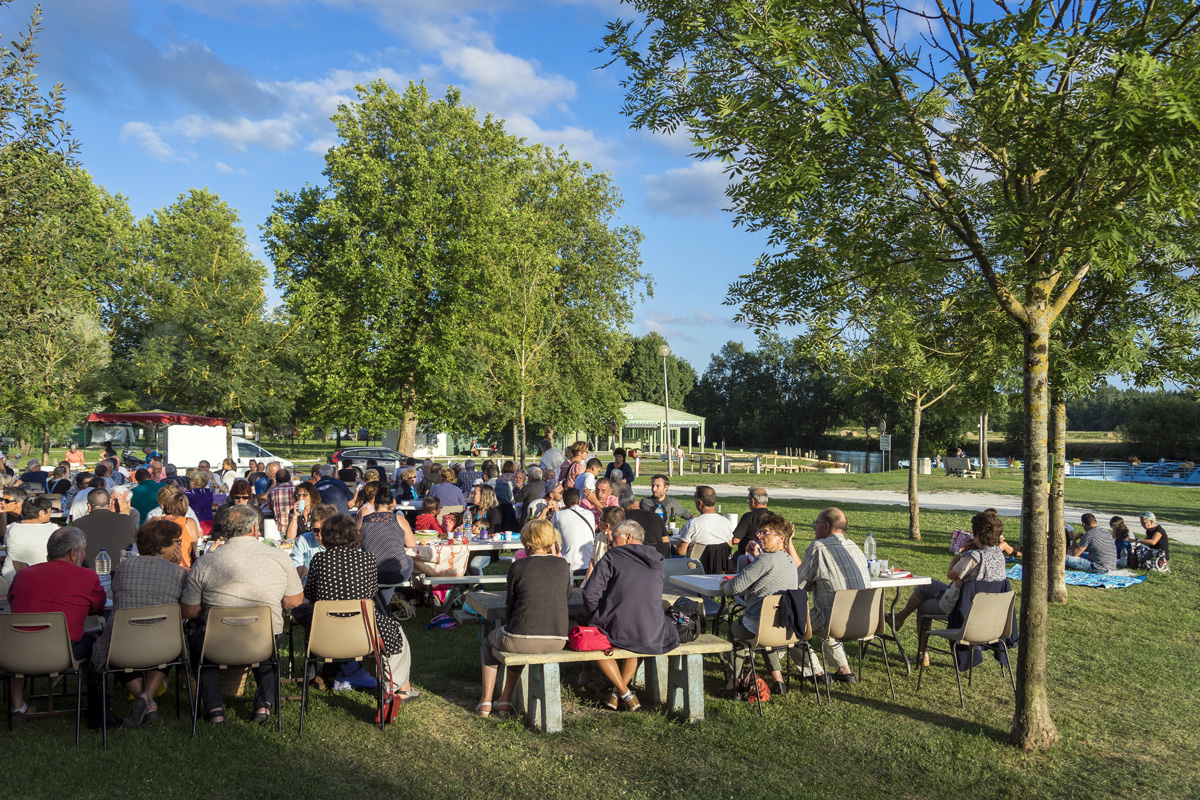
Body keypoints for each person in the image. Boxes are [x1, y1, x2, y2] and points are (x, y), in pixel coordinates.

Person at [182, 504, 304, 725]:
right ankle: (264, 705)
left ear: (225, 531)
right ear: (256, 529)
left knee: (200, 646)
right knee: (269, 650)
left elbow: (189, 610)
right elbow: (294, 601)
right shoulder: (279, 557)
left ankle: (214, 709)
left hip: (217, 641)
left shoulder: (205, 562)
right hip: (263, 639)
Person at [304, 513, 419, 701]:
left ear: (326, 536)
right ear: (354, 535)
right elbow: (372, 591)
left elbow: (310, 594)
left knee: (390, 630)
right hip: (362, 631)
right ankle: (398, 686)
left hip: (324, 634)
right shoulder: (367, 560)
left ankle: (395, 685)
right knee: (395, 631)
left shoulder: (318, 560)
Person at [90, 519, 189, 729]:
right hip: (164, 647)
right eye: (176, 543)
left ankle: (145, 701)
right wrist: (176, 566)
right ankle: (147, 698)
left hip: (122, 646)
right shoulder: (179, 573)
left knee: (115, 646)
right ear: (162, 548)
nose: (179, 547)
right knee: (164, 642)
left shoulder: (123, 566)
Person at [7, 527, 108, 719]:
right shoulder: (87, 576)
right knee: (97, 639)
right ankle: (92, 698)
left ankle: (17, 704)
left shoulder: (22, 575)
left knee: (21, 635)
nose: (84, 554)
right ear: (73, 554)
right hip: (63, 653)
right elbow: (97, 607)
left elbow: (14, 603)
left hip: (15, 652)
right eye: (84, 550)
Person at [476, 519, 571, 716]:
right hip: (558, 639)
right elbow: (566, 594)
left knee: (491, 641)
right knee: (518, 643)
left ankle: (485, 701)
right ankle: (505, 699)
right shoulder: (562, 565)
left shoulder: (518, 566)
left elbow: (510, 603)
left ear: (527, 543)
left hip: (521, 635)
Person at [583, 520, 679, 711]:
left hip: (619, 626)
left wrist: (599, 612)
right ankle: (618, 694)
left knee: (593, 640)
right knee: (634, 643)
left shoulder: (613, 555)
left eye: (613, 537)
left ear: (628, 537)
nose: (610, 542)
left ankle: (622, 692)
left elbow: (590, 594)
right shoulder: (657, 559)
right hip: (652, 629)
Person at [892, 510, 1008, 666]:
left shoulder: (973, 557)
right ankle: (900, 618)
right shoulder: (999, 555)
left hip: (962, 608)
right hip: (988, 610)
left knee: (922, 608)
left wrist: (960, 551)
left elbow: (950, 574)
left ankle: (922, 655)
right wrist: (967, 581)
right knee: (926, 586)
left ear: (978, 535)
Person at [720, 511, 801, 697]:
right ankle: (778, 681)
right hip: (784, 627)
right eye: (759, 532)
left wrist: (724, 585)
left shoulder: (765, 560)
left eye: (765, 533)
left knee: (735, 630)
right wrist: (757, 557)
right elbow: (768, 572)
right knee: (766, 636)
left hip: (760, 626)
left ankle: (733, 684)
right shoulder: (789, 560)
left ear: (781, 537)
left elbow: (734, 588)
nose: (760, 536)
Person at [792, 507, 870, 683]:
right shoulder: (855, 547)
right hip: (865, 622)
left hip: (834, 621)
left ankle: (816, 672)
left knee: (790, 623)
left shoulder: (818, 548)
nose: (814, 528)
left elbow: (797, 585)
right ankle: (844, 670)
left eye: (816, 524)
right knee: (830, 614)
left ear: (825, 527)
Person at [360, 489, 416, 589]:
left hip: (370, 574)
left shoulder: (363, 520)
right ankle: (387, 601)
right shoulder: (399, 519)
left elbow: (356, 543)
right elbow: (411, 544)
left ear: (375, 503)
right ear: (391, 503)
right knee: (409, 560)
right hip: (397, 574)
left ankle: (382, 602)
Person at [2, 495, 60, 582]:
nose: (50, 514)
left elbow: (7, 549)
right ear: (41, 513)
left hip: (11, 579)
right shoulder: (54, 529)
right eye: (49, 511)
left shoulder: (10, 528)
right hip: (42, 579)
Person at [75, 489, 137, 568]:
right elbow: (135, 540)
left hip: (88, 572)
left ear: (89, 506)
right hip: (119, 571)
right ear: (109, 503)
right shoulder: (126, 520)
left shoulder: (78, 523)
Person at [675, 485, 733, 556]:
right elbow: (729, 547)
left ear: (700, 503)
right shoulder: (726, 522)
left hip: (696, 565)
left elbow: (680, 551)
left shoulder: (693, 523)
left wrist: (682, 535)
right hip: (721, 565)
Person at [553, 487, 595, 574]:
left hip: (569, 564)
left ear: (564, 502)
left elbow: (553, 534)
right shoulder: (589, 513)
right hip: (588, 563)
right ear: (579, 500)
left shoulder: (558, 515)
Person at [157, 487, 200, 569]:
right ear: (185, 506)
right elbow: (192, 550)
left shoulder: (155, 521)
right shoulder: (189, 522)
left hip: (159, 567)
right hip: (182, 568)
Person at [291, 503, 336, 581]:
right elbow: (295, 563)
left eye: (324, 530)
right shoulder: (303, 540)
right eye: (316, 530)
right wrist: (299, 569)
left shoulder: (344, 540)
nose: (319, 535)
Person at [731, 487, 771, 556]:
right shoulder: (774, 517)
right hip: (768, 554)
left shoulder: (749, 517)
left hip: (748, 554)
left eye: (748, 499)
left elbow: (735, 540)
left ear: (752, 501)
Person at [185, 471, 216, 538]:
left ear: (194, 482)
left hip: (195, 524)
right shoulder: (209, 491)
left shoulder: (188, 494)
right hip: (209, 523)